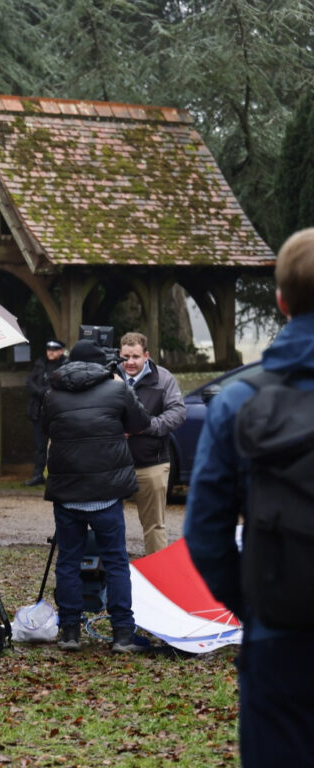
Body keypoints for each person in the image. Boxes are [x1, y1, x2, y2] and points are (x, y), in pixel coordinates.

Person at [184, 228, 314, 766]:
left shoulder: (239, 399)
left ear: (281, 301)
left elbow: (204, 532)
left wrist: (255, 604)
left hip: (278, 631)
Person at [42, 339, 152, 653]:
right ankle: (122, 633)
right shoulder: (116, 389)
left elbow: (46, 428)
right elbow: (141, 422)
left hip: (68, 492)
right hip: (107, 492)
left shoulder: (53, 393)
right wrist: (121, 384)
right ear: (101, 364)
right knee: (116, 562)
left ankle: (70, 632)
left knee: (68, 561)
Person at [118, 332, 186, 554]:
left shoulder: (163, 378)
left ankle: (157, 571)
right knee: (107, 523)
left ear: (146, 356)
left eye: (135, 357)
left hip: (151, 463)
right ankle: (112, 570)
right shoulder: (110, 376)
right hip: (113, 463)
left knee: (154, 525)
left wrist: (146, 426)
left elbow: (178, 412)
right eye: (125, 357)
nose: (130, 362)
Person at [25, 339, 67, 486]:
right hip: (38, 411)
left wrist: (46, 392)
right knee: (40, 446)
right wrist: (41, 392)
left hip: (57, 411)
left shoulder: (66, 365)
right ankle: (38, 474)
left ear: (61, 351)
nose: (51, 352)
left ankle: (59, 476)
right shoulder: (40, 363)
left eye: (54, 350)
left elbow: (63, 384)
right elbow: (29, 382)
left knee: (60, 445)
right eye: (49, 349)